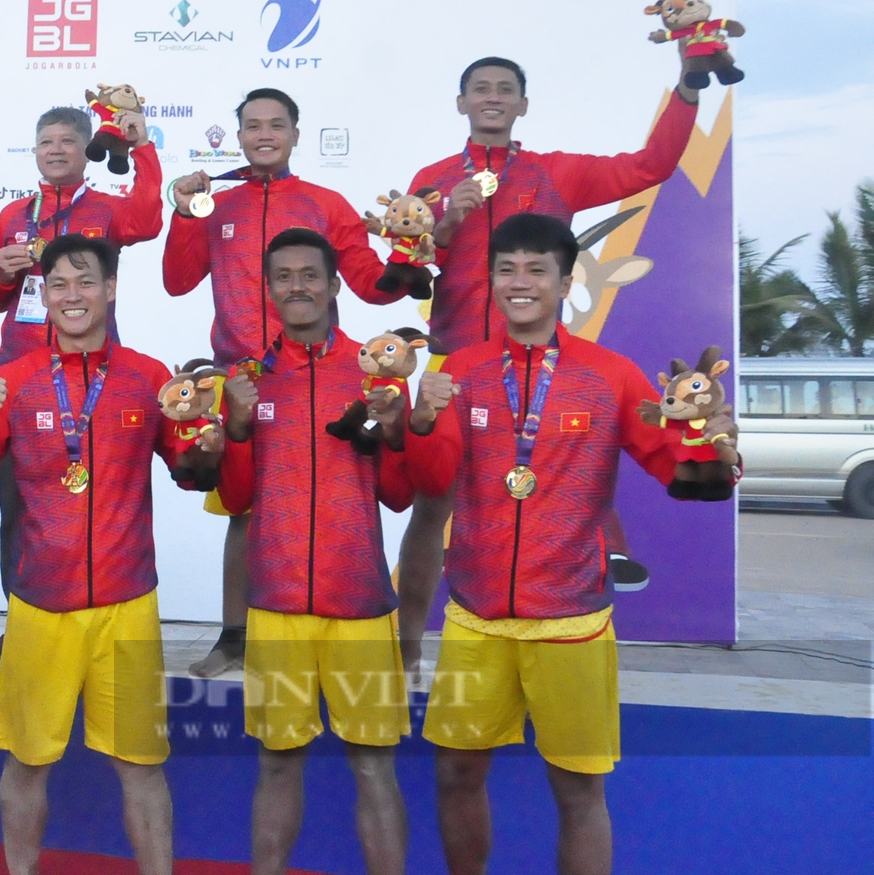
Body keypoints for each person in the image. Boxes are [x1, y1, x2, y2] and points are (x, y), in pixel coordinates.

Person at [408, 212, 737, 875]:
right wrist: (419, 418)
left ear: (565, 283)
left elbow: (682, 473)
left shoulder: (611, 375)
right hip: (476, 619)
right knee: (454, 777)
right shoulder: (462, 371)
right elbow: (430, 478)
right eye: (506, 269)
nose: (519, 282)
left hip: (573, 623)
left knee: (579, 791)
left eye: (536, 270)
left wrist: (712, 442)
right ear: (491, 280)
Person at [393, 56, 702, 672]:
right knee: (433, 506)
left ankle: (544, 640)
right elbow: (406, 268)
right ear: (461, 104)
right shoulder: (429, 179)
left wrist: (689, 88)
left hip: (540, 364)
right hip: (457, 358)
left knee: (549, 491)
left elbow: (650, 167)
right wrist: (446, 220)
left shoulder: (556, 174)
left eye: (505, 90)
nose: (492, 98)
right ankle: (404, 648)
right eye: (480, 89)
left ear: (522, 106)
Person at [0, 235, 215, 875]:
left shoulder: (149, 377)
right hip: (40, 606)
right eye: (57, 284)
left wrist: (210, 443)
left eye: (85, 282)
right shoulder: (8, 383)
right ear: (43, 295)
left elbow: (190, 472)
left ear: (111, 289)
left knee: (142, 768)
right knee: (26, 762)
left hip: (127, 605)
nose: (71, 296)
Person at [162, 88, 405, 677]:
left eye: (276, 124)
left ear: (297, 133)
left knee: (330, 496)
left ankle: (338, 621)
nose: (263, 134)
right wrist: (182, 211)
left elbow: (373, 284)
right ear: (238, 136)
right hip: (242, 377)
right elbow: (176, 280)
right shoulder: (215, 205)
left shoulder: (326, 203)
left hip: (316, 373)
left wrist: (415, 253)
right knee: (241, 508)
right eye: (252, 126)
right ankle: (234, 636)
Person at [214, 228, 415, 875]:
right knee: (275, 764)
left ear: (333, 285)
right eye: (282, 276)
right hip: (274, 603)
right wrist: (238, 427)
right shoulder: (249, 380)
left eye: (309, 274)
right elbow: (237, 495)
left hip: (358, 602)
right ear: (268, 289)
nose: (296, 285)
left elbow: (400, 496)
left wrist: (392, 433)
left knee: (373, 766)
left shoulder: (377, 370)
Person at [0, 103, 164, 663]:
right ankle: (20, 618)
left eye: (66, 142)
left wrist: (143, 150)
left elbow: (149, 221)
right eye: (45, 142)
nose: (55, 150)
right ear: (34, 151)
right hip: (24, 382)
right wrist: (1, 272)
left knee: (104, 504)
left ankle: (112, 614)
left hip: (96, 379)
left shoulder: (103, 208)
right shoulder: (13, 213)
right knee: (19, 508)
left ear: (86, 151)